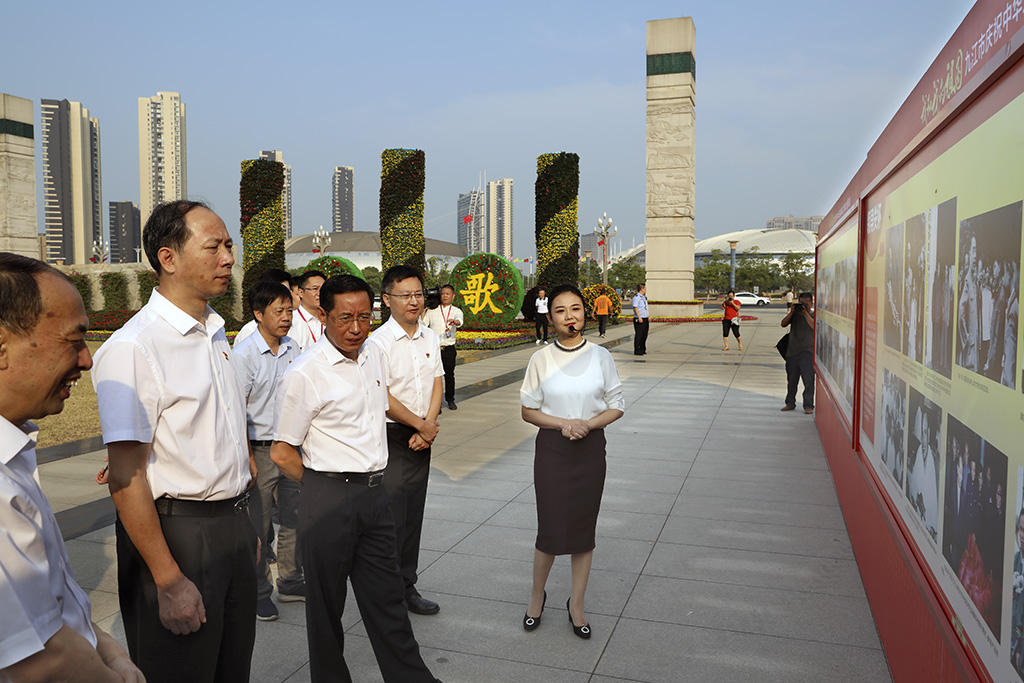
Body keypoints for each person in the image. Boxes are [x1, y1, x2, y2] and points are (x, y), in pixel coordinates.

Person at [92, 201, 258, 683]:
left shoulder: (215, 332)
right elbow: (125, 476)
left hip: (232, 526)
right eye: (214, 247)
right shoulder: (134, 348)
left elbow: (225, 431)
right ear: (168, 259)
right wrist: (167, 579)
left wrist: (247, 526)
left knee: (232, 669)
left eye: (229, 246)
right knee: (179, 670)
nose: (228, 258)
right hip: (178, 538)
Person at [270, 274, 440, 683]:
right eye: (345, 318)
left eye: (364, 317)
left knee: (387, 600)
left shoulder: (373, 356)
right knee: (326, 608)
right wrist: (318, 490)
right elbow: (282, 450)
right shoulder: (305, 373)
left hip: (375, 494)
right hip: (327, 497)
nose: (355, 327)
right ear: (324, 315)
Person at [0, 253, 145, 682]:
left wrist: (111, 653)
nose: (86, 360)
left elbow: (55, 601)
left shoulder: (15, 452)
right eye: (74, 340)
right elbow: (40, 657)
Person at [520, 283, 625, 639]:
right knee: (549, 528)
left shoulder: (601, 356)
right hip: (552, 449)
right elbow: (528, 410)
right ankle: (537, 597)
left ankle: (576, 604)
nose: (570, 317)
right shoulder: (540, 359)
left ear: (586, 313)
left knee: (583, 531)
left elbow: (617, 404)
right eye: (561, 311)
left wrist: (587, 425)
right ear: (550, 318)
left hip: (590, 450)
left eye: (576, 309)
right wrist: (565, 423)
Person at [369, 265, 444, 616]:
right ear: (387, 300)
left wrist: (429, 424)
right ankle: (387, 592)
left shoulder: (429, 336)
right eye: (405, 295)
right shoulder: (377, 343)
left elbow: (437, 382)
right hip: (392, 436)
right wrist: (420, 425)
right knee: (391, 519)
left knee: (413, 515)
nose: (414, 301)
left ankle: (407, 586)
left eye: (418, 294)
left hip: (422, 433)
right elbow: (382, 396)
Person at [231, 281, 304, 621]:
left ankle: (290, 581)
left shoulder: (294, 349)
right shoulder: (244, 354)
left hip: (290, 447)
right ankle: (259, 591)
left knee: (294, 517)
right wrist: (246, 458)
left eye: (289, 310)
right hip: (258, 449)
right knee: (258, 525)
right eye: (279, 311)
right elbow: (235, 410)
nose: (286, 317)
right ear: (259, 315)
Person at [422, 283, 463, 410]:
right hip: (434, 349)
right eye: (443, 293)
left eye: (448, 294)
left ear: (453, 296)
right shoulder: (432, 310)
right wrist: (423, 312)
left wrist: (455, 322)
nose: (445, 296)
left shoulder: (456, 311)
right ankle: (436, 404)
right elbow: (423, 325)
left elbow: (460, 320)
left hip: (448, 348)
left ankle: (450, 400)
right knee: (434, 377)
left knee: (449, 375)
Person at [233, 268, 294, 347]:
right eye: (279, 311)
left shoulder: (293, 344)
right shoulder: (249, 332)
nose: (286, 296)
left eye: (288, 291)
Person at [781, 292, 815, 414]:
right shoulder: (794, 315)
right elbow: (783, 324)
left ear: (811, 303)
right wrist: (791, 313)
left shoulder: (814, 315)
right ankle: (790, 403)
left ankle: (808, 405)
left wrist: (806, 313)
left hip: (808, 352)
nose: (804, 306)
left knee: (809, 381)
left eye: (806, 304)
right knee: (792, 380)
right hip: (793, 352)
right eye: (802, 303)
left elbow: (815, 327)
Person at [292, 269, 327, 352]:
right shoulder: (291, 322)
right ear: (301, 293)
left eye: (323, 289)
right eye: (315, 289)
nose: (319, 293)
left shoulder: (331, 319)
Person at [631, 283, 649, 355]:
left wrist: (648, 315)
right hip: (639, 318)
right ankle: (637, 349)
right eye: (645, 288)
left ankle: (642, 348)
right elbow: (635, 307)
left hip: (645, 318)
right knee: (639, 334)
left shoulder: (643, 297)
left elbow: (645, 308)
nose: (645, 290)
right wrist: (639, 317)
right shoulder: (636, 297)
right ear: (642, 289)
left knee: (644, 334)